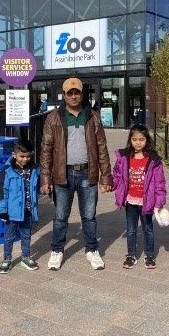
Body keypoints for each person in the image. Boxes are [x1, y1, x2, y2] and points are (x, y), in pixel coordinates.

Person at [40, 77, 112, 270]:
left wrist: (106, 176)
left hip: (87, 173)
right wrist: (45, 178)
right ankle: (57, 250)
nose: (74, 96)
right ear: (64, 95)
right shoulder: (53, 117)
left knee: (89, 216)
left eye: (77, 92)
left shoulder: (92, 116)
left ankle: (91, 249)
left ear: (82, 94)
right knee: (61, 216)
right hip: (62, 174)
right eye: (70, 93)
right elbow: (46, 149)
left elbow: (102, 147)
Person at [113, 124, 167, 269]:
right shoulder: (124, 158)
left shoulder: (154, 161)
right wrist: (112, 186)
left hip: (147, 201)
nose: (138, 142)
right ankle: (131, 255)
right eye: (135, 139)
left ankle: (149, 255)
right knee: (131, 229)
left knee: (148, 229)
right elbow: (117, 175)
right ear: (130, 140)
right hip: (130, 200)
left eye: (141, 139)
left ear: (147, 140)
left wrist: (159, 200)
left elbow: (160, 183)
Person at [0, 139, 40, 274]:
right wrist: (2, 210)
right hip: (12, 211)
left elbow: (37, 187)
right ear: (14, 155)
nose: (25, 159)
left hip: (27, 209)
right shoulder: (7, 170)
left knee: (26, 235)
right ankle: (7, 259)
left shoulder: (35, 169)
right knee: (9, 236)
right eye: (22, 156)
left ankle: (25, 257)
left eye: (28, 156)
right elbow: (2, 191)